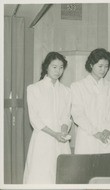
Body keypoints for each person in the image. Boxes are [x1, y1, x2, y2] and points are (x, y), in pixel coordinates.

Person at [23, 52, 72, 184]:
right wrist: (53, 134)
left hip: (61, 140)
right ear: (46, 67)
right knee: (41, 175)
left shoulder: (66, 91)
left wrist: (63, 130)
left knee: (61, 176)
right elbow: (34, 119)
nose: (58, 71)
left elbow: (66, 116)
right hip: (43, 138)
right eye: (54, 67)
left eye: (61, 67)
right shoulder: (34, 89)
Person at [70, 48, 110, 154]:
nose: (103, 70)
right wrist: (95, 132)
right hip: (87, 136)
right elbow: (77, 114)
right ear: (91, 65)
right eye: (100, 66)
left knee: (106, 169)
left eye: (106, 66)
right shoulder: (78, 86)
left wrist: (108, 130)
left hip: (107, 137)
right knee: (86, 168)